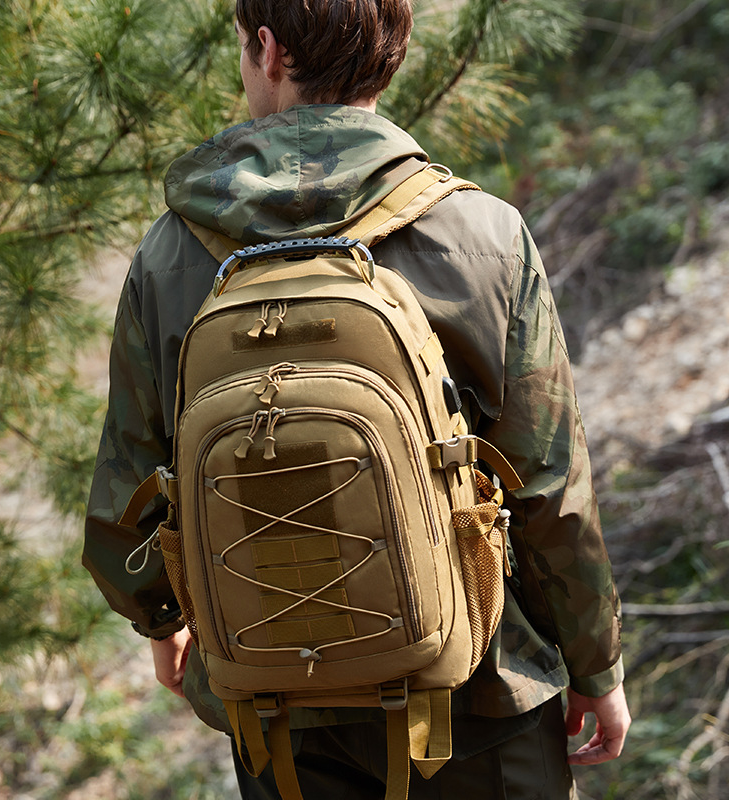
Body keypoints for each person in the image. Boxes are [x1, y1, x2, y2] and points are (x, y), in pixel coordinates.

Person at [83, 1, 631, 797]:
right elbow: (549, 487)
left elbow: (126, 488)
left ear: (267, 50)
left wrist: (162, 621)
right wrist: (595, 663)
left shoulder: (169, 254)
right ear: (395, 53)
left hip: (275, 702)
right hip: (476, 689)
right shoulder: (482, 232)